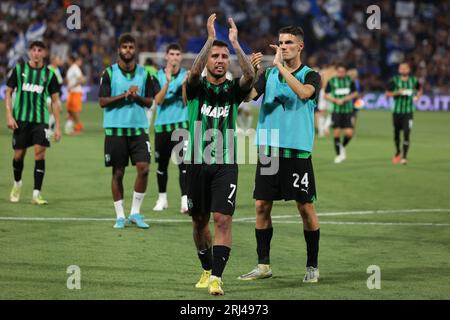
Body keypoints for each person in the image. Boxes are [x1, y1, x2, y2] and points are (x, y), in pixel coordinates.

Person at [238, 26, 322, 283]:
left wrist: (280, 67)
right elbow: (247, 96)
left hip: (296, 151)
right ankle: (263, 265)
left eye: (288, 42)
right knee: (261, 206)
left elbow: (304, 94)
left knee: (305, 208)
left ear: (300, 47)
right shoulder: (269, 74)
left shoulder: (311, 75)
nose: (283, 46)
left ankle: (312, 266)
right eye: (281, 42)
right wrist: (250, 73)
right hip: (269, 150)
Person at [185, 14, 255, 296]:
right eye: (215, 55)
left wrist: (236, 44)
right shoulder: (196, 87)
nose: (219, 60)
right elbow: (192, 73)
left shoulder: (232, 90)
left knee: (222, 220)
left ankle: (217, 277)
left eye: (223, 56)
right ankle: (206, 267)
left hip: (226, 163)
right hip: (196, 163)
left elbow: (250, 76)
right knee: (199, 221)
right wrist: (208, 39)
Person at [99, 33, 160, 229]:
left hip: (138, 130)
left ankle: (135, 213)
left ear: (135, 50)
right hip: (115, 130)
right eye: (124, 47)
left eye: (131, 47)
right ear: (119, 50)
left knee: (144, 169)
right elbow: (102, 101)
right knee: (118, 173)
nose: (127, 50)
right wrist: (125, 95)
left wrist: (136, 97)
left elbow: (150, 101)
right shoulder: (108, 73)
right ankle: (120, 216)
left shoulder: (145, 74)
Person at [5, 40, 62, 205]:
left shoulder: (49, 75)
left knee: (40, 153)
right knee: (18, 155)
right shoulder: (19, 70)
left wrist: (57, 125)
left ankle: (36, 194)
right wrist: (9, 115)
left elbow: (56, 101)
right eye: (34, 50)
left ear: (44, 53)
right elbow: (8, 93)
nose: (36, 53)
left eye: (40, 50)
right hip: (21, 120)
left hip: (41, 120)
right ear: (30, 52)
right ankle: (17, 183)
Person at [152, 43, 189, 213]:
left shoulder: (186, 76)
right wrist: (167, 82)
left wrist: (184, 85)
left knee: (184, 165)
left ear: (181, 57)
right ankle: (162, 199)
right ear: (166, 56)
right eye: (171, 54)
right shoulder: (157, 76)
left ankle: (184, 201)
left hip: (181, 126)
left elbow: (186, 100)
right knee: (162, 166)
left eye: (177, 54)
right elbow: (158, 100)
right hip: (162, 128)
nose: (174, 57)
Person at [386, 62, 422, 165]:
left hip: (408, 112)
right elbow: (387, 93)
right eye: (401, 68)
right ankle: (398, 151)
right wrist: (398, 92)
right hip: (396, 112)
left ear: (409, 70)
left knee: (407, 133)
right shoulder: (394, 81)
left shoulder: (413, 80)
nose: (403, 70)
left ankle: (404, 157)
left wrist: (417, 98)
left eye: (405, 68)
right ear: (399, 70)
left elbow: (420, 90)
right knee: (396, 135)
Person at [324, 63, 358, 164]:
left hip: (348, 110)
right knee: (337, 133)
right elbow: (325, 95)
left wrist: (345, 99)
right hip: (336, 111)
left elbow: (355, 93)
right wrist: (335, 100)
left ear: (345, 72)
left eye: (342, 72)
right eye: (339, 72)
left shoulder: (350, 80)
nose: (341, 73)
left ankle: (342, 146)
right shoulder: (332, 81)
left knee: (349, 133)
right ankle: (339, 154)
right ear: (336, 72)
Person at [65, 55, 86, 135]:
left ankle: (78, 126)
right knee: (70, 110)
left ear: (70, 60)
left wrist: (72, 86)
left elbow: (81, 79)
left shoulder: (75, 68)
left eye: (67, 59)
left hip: (76, 91)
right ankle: (71, 127)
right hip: (71, 92)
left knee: (74, 110)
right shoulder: (71, 68)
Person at [47, 55, 64, 137]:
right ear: (53, 60)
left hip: (56, 95)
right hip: (50, 95)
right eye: (58, 59)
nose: (60, 61)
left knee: (56, 111)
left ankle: (50, 128)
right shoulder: (49, 69)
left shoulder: (56, 69)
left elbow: (59, 82)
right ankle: (49, 129)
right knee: (53, 111)